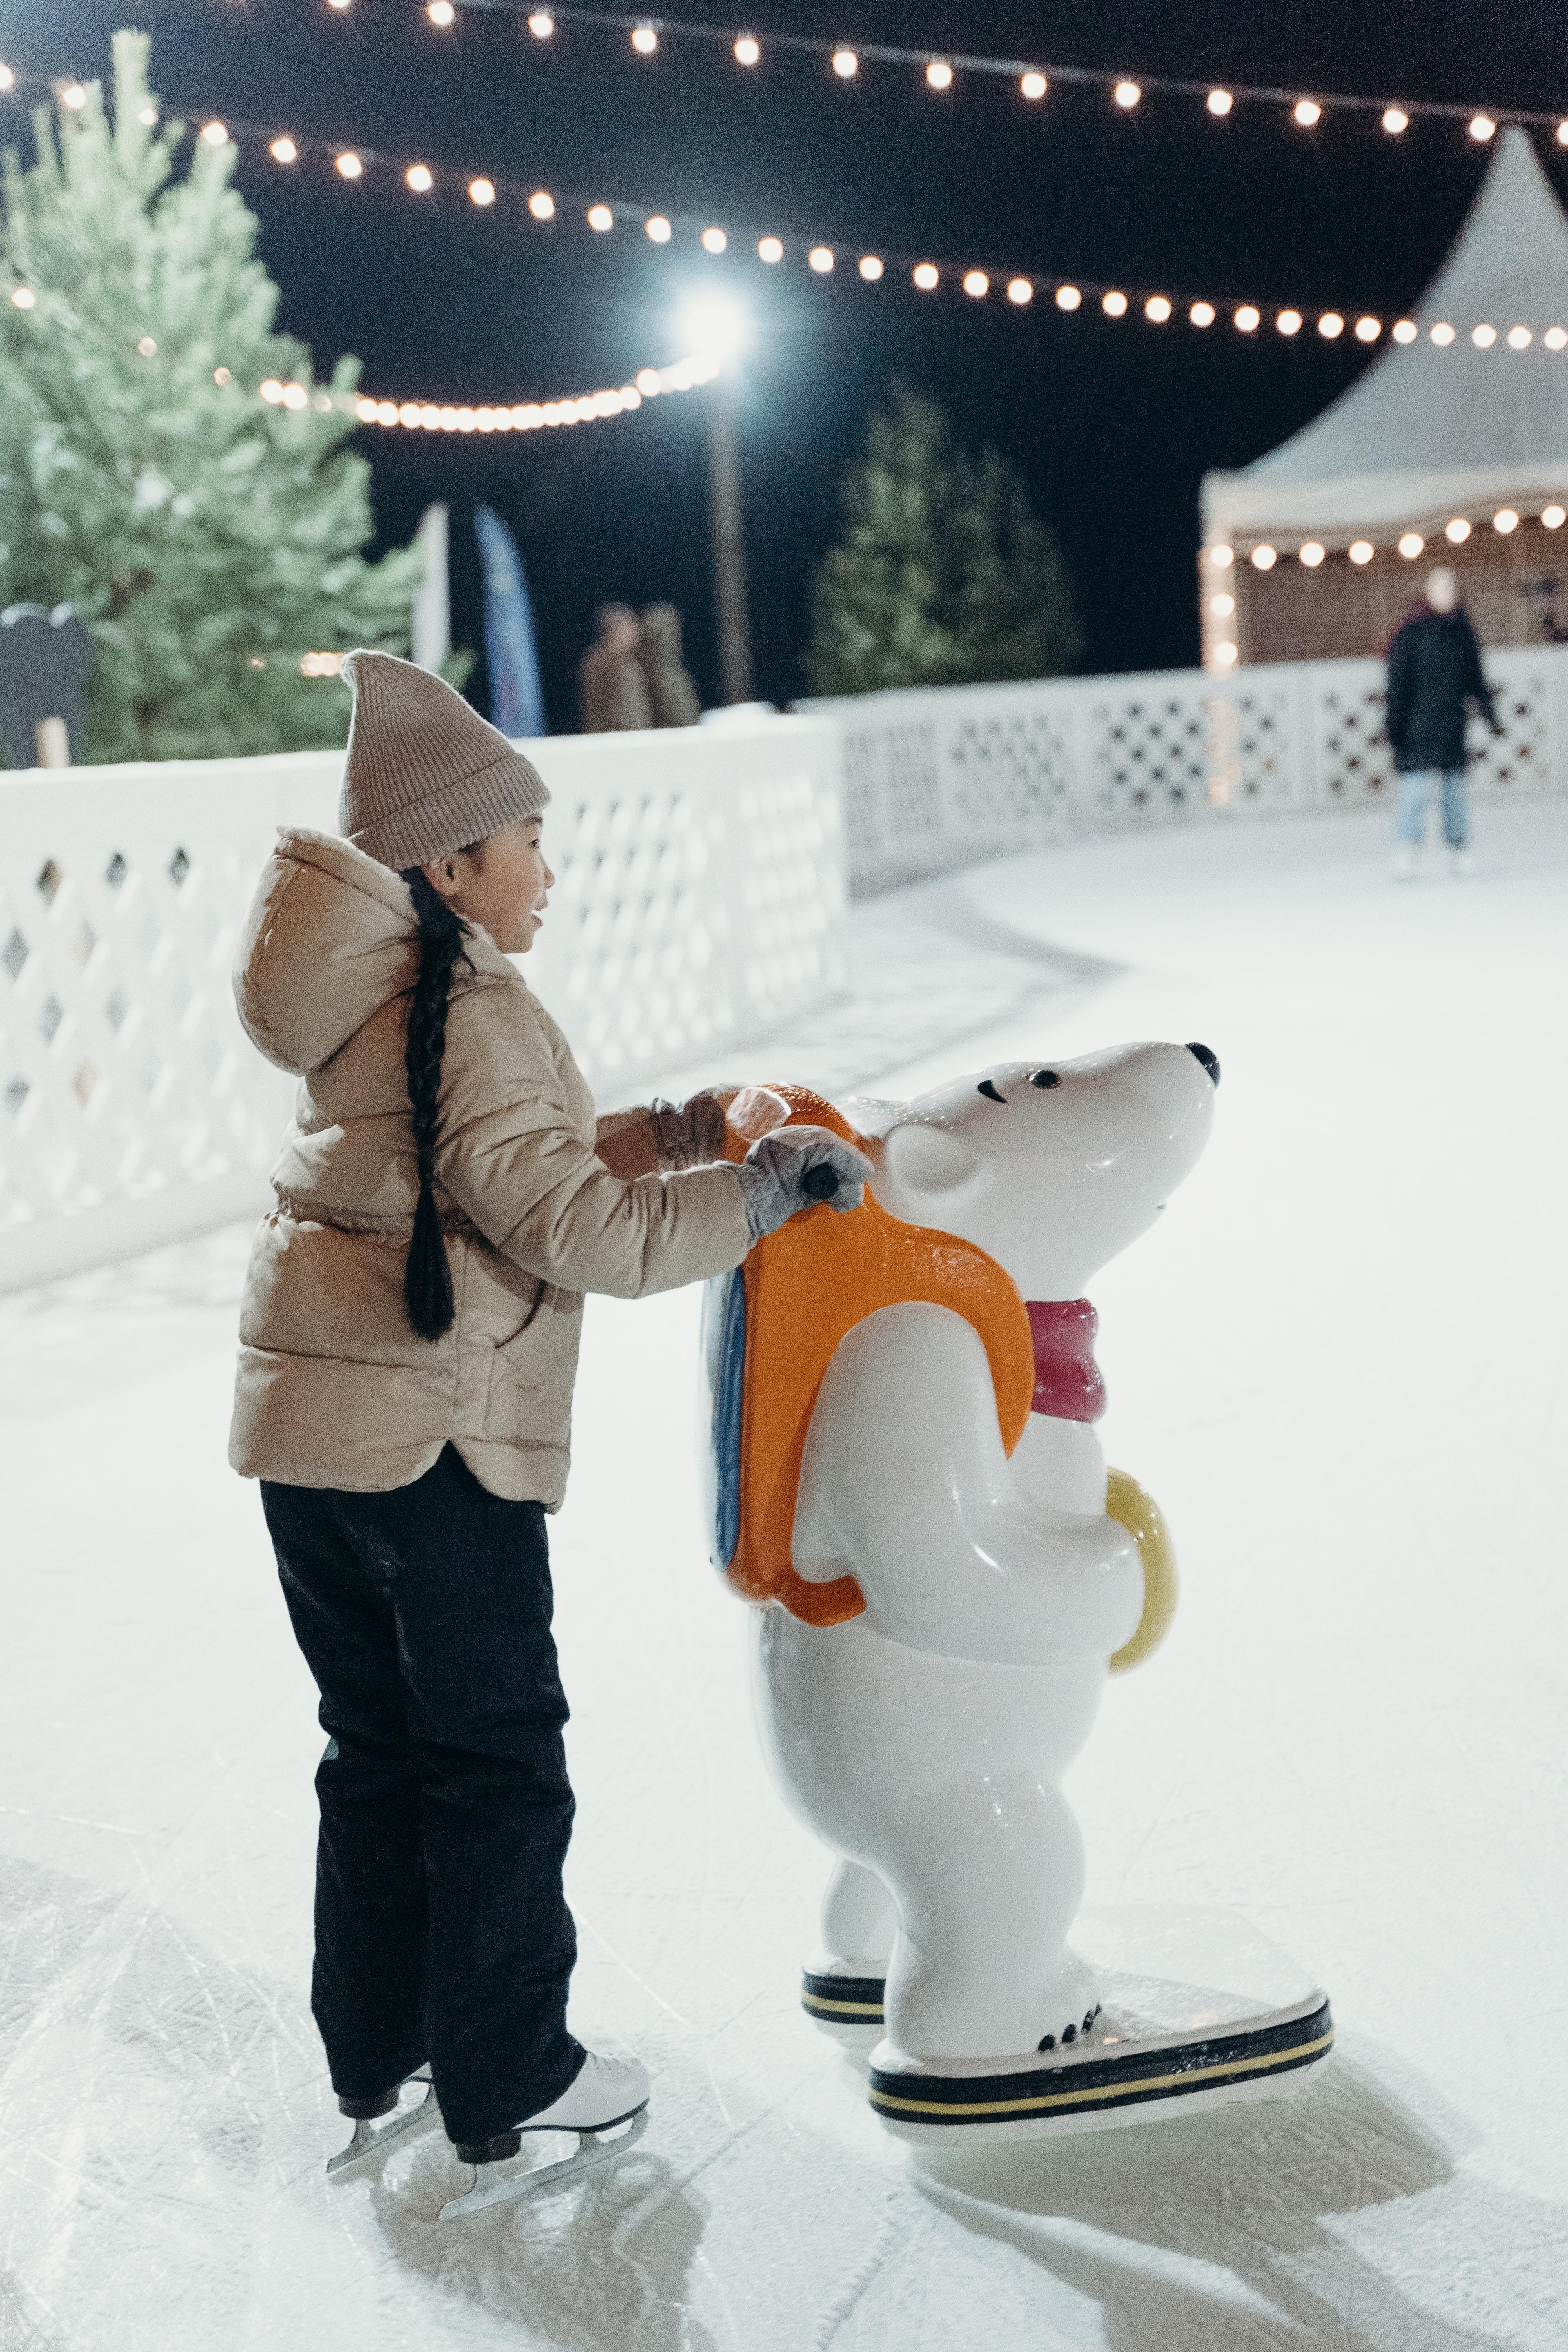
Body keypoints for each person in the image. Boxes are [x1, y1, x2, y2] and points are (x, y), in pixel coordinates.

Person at [228, 650, 868, 2192]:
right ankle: (511, 2064)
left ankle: (378, 2044)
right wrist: (762, 1192)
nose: (552, 873)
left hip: (313, 1443)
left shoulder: (378, 999)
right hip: (430, 1449)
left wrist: (667, 1132)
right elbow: (579, 1232)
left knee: (373, 1748)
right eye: (529, 844)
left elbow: (492, 1170)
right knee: (496, 1754)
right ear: (450, 865)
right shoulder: (475, 1010)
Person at [1384, 566, 1500, 880]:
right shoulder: (1411, 633)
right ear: (1426, 591)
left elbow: (1475, 678)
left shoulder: (1463, 631)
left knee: (1454, 792)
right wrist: (1394, 726)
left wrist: (1490, 714)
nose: (1446, 592)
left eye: (1451, 586)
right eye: (1439, 586)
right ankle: (1407, 848)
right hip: (1416, 727)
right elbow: (1397, 684)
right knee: (1415, 791)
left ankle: (1459, 848)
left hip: (1452, 724)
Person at [577, 603, 655, 732]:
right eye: (631, 626)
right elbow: (600, 708)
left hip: (638, 736)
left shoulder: (630, 660)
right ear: (616, 629)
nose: (637, 631)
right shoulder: (600, 661)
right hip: (616, 738)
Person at [637, 602, 703, 727]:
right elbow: (683, 717)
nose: (678, 635)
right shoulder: (664, 673)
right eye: (673, 629)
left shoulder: (654, 668)